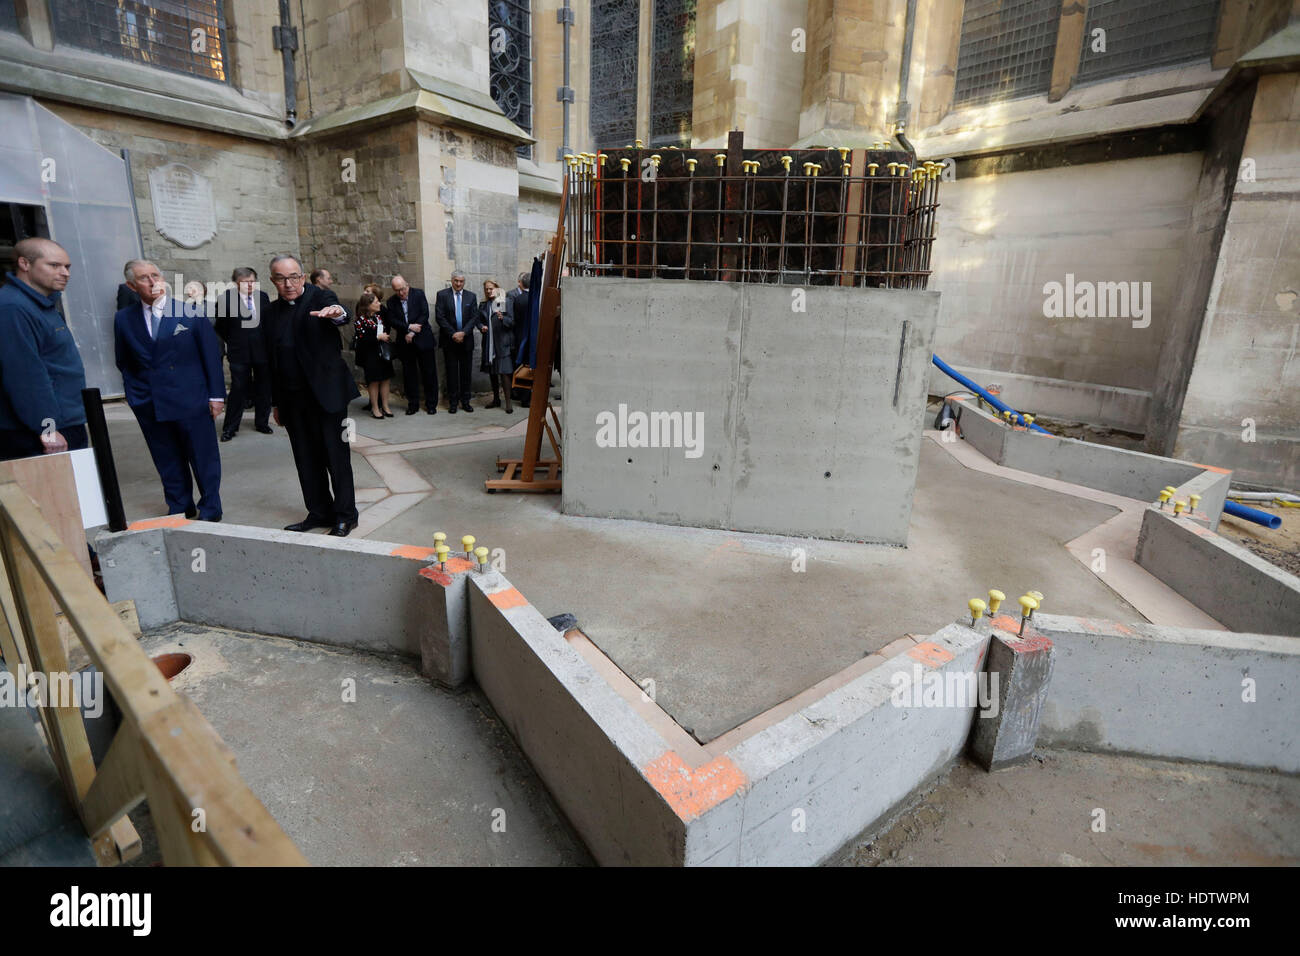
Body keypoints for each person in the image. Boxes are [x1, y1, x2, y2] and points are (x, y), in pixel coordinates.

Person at [114, 259, 225, 521]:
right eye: (144, 278)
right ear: (131, 285)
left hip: (191, 399)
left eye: (156, 275)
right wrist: (135, 396)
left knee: (202, 457)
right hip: (150, 402)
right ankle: (179, 506)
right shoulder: (124, 319)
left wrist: (216, 396)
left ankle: (210, 507)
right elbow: (124, 362)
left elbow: (212, 356)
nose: (153, 282)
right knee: (166, 458)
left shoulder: (190, 313)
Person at [262, 254, 358, 537]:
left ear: (302, 277)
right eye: (281, 278)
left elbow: (341, 313)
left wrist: (336, 313)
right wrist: (276, 403)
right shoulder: (270, 312)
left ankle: (345, 515)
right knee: (306, 459)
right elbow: (272, 360)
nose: (288, 283)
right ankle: (319, 511)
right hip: (292, 401)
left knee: (335, 458)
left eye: (293, 277)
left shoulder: (320, 298)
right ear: (273, 281)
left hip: (327, 397)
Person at [0, 238, 88, 461]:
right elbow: (24, 375)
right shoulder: (13, 308)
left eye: (67, 267)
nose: (65, 273)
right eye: (54, 265)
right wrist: (47, 428)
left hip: (65, 422)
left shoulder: (41, 304)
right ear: (25, 264)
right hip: (38, 433)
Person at [214, 267, 273, 441]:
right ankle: (230, 427)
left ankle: (262, 422)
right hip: (239, 352)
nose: (250, 285)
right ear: (236, 283)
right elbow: (221, 327)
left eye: (252, 281)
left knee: (264, 387)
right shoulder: (226, 299)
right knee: (239, 388)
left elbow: (268, 322)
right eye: (245, 282)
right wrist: (235, 340)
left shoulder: (262, 297)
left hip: (262, 351)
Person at [385, 275, 436, 415]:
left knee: (429, 372)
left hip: (423, 339)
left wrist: (412, 332)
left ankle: (431, 404)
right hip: (405, 343)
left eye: (403, 289)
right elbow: (392, 320)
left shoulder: (418, 294)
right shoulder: (391, 302)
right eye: (397, 290)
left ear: (407, 285)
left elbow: (424, 314)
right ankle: (413, 404)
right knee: (409, 374)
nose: (401, 293)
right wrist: (408, 327)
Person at [435, 270, 477, 414]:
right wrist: (453, 334)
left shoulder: (471, 296)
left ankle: (465, 402)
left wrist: (463, 333)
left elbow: (473, 318)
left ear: (464, 282)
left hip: (466, 340)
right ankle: (453, 403)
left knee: (466, 373)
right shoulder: (442, 295)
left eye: (461, 281)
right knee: (452, 373)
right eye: (456, 281)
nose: (458, 284)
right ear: (451, 280)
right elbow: (440, 317)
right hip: (449, 341)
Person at [352, 292, 394, 420]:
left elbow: (383, 330)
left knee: (386, 379)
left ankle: (385, 406)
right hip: (370, 355)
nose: (379, 304)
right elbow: (362, 340)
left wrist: (384, 337)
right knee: (374, 381)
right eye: (376, 302)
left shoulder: (378, 317)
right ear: (368, 305)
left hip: (382, 353)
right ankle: (375, 408)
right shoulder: (360, 321)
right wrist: (377, 337)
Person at [477, 280, 514, 413]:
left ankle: (508, 403)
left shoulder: (506, 301)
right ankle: (496, 399)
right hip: (489, 342)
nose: (488, 291)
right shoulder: (483, 305)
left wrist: (502, 318)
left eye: (491, 288)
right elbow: (478, 321)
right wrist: (482, 327)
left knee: (504, 372)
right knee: (492, 372)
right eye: (486, 289)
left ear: (497, 288)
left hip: (502, 342)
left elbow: (511, 322)